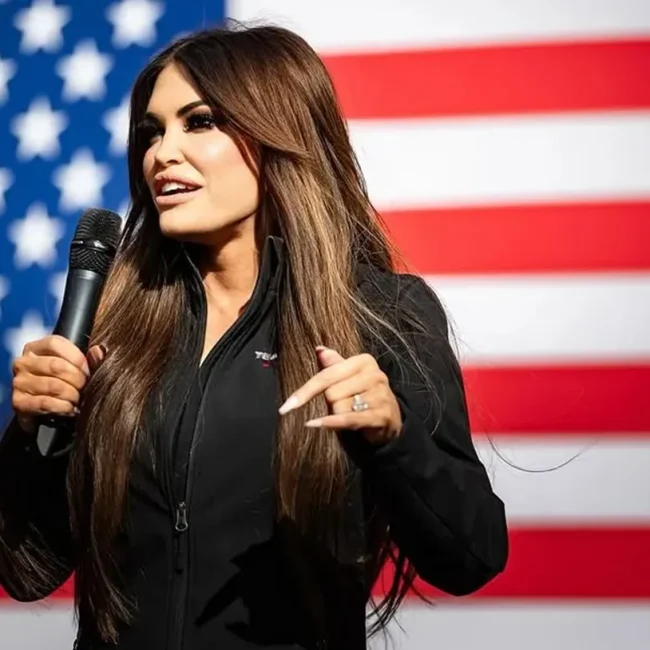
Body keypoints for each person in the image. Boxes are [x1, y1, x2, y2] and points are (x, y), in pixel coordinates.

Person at [0, 23, 508, 650]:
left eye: (200, 122)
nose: (162, 153)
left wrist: (394, 439)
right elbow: (26, 571)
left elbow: (472, 556)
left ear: (277, 132)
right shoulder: (116, 326)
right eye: (151, 132)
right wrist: (31, 438)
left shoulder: (382, 313)